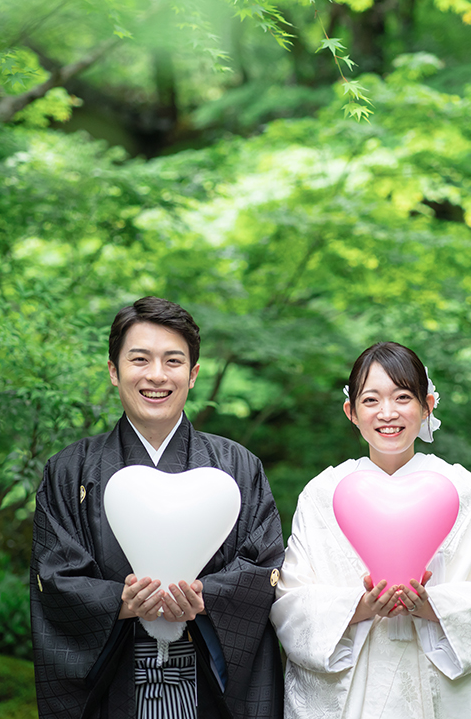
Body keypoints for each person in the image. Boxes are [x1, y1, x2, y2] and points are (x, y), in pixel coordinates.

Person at [31, 297, 285, 719]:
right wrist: (122, 602)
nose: (156, 376)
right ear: (114, 371)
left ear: (194, 373)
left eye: (172, 361)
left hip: (207, 685)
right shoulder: (68, 470)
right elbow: (54, 577)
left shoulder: (238, 466)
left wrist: (205, 601)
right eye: (140, 359)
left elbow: (265, 566)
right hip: (114, 686)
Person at [271, 342, 471, 719]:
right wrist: (359, 607)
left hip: (437, 690)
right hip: (354, 694)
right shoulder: (322, 494)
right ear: (351, 412)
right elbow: (290, 602)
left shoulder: (461, 489)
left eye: (403, 397)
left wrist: (431, 605)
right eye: (371, 400)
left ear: (428, 406)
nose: (387, 413)